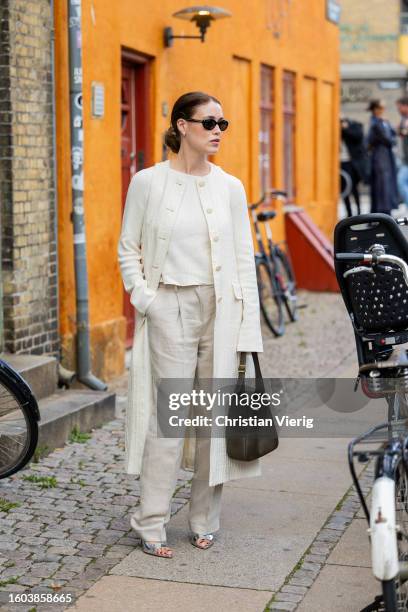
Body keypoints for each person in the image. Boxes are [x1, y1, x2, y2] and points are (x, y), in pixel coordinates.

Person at [117, 91, 263, 558]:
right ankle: (151, 519)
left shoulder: (231, 187)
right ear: (182, 126)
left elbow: (244, 260)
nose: (218, 130)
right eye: (209, 122)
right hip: (169, 307)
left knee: (213, 422)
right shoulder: (147, 182)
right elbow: (127, 248)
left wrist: (248, 330)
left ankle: (205, 519)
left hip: (222, 311)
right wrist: (147, 300)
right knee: (171, 416)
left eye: (224, 123)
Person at [366, 99, 399, 215]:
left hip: (385, 157)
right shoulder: (376, 123)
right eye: (381, 108)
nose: (383, 110)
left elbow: (394, 134)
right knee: (382, 186)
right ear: (376, 109)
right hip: (380, 159)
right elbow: (389, 140)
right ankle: (382, 214)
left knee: (385, 185)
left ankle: (382, 214)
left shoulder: (383, 121)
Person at [340, 117, 368, 217]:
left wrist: (345, 128)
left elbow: (357, 137)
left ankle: (359, 211)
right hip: (341, 163)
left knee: (354, 188)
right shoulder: (336, 128)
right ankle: (349, 213)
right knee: (344, 189)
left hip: (351, 163)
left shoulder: (354, 125)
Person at [396, 96, 408, 206]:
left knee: (400, 181)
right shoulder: (404, 119)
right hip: (405, 160)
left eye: (399, 107)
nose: (398, 110)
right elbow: (400, 132)